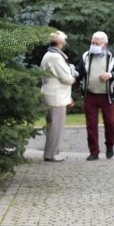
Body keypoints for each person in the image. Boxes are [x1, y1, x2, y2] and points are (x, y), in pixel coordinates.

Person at [76, 31, 114, 160]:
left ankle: (109, 146)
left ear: (105, 44)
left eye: (96, 43)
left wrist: (110, 75)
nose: (93, 45)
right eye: (92, 42)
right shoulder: (86, 56)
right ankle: (94, 151)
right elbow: (79, 72)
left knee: (110, 123)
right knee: (91, 125)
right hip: (90, 95)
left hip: (107, 96)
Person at [40, 31, 76, 161]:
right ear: (60, 42)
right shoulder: (55, 57)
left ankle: (50, 153)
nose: (64, 43)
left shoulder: (49, 54)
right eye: (64, 41)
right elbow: (66, 78)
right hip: (56, 97)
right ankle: (52, 154)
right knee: (56, 127)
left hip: (50, 95)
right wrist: (73, 77)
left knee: (52, 126)